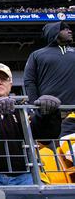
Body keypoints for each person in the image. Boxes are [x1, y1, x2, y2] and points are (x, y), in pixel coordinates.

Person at [0, 63, 61, 186]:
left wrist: (49, 114)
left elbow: (45, 136)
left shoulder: (23, 109)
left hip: (25, 175)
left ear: (10, 85)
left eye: (4, 79)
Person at [24, 22, 75, 162]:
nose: (69, 31)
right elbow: (29, 81)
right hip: (50, 114)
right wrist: (34, 107)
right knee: (55, 158)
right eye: (64, 28)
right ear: (54, 32)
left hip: (74, 113)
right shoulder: (37, 55)